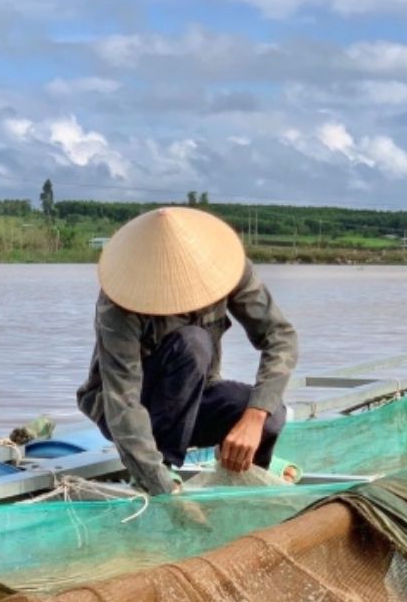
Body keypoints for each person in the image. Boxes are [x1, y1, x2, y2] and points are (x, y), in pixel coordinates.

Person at [76, 206, 298, 496]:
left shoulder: (229, 268)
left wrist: (254, 417)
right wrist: (163, 488)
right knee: (193, 342)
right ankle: (161, 469)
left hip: (194, 398)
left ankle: (240, 486)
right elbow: (123, 401)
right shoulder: (119, 302)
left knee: (271, 417)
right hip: (126, 409)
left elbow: (279, 336)